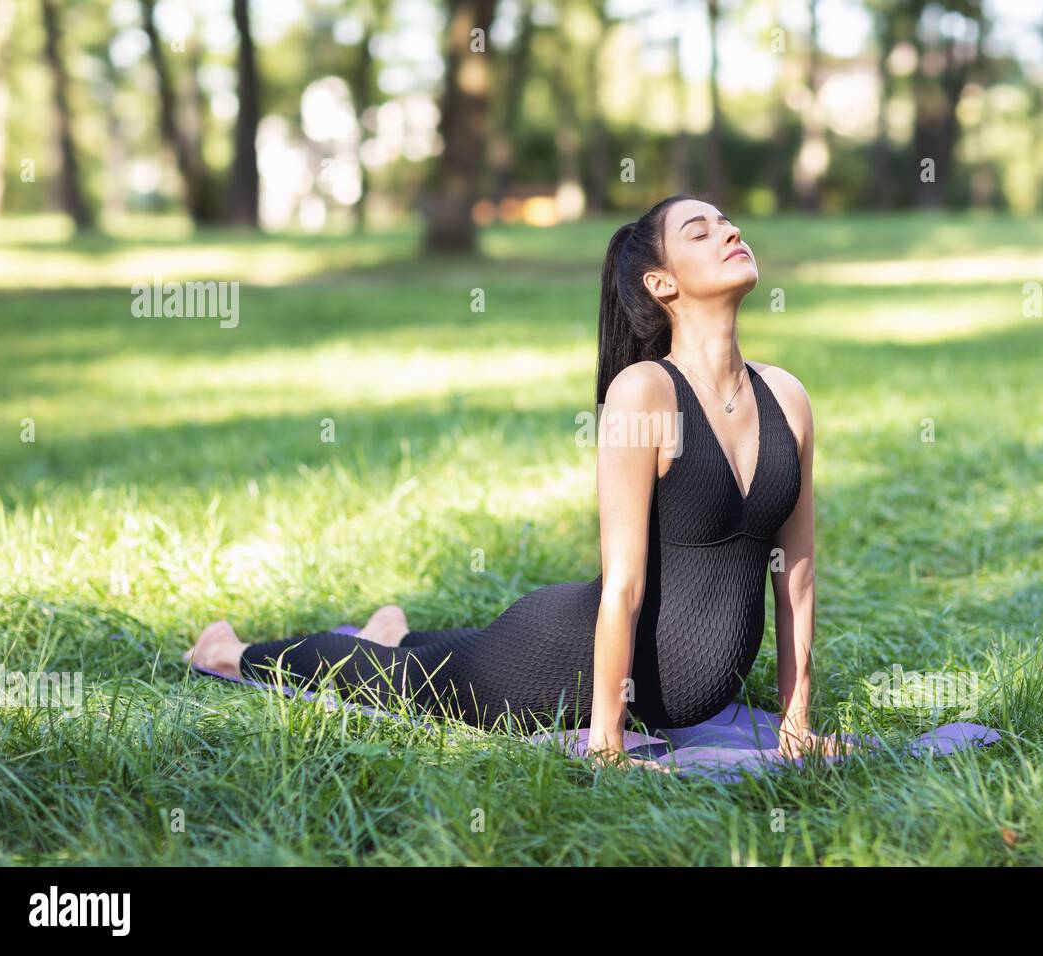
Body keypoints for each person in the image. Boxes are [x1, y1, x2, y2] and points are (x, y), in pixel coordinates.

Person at [185, 194, 845, 772]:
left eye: (727, 223)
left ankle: (388, 629)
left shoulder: (787, 396)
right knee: (409, 683)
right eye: (699, 232)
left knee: (441, 655)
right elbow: (625, 584)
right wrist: (608, 744)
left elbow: (799, 575)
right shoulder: (644, 393)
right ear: (662, 284)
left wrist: (797, 728)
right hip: (561, 656)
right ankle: (232, 651)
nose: (729, 232)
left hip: (666, 676)